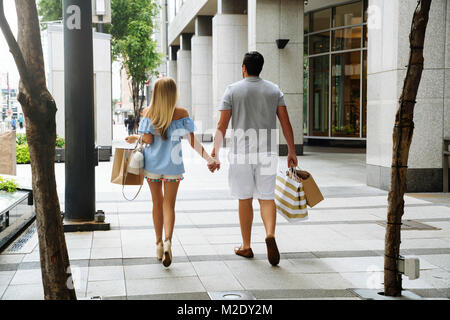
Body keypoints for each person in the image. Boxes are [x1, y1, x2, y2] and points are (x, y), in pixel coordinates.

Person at [208, 51, 298, 266]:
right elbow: (286, 122)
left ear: (243, 68)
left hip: (241, 153)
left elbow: (222, 125)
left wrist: (215, 152)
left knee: (244, 198)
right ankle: (269, 234)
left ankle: (246, 246)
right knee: (267, 197)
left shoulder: (232, 90)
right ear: (261, 67)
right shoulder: (274, 90)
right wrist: (292, 151)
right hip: (267, 153)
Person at [125, 77, 218, 267]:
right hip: (173, 168)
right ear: (173, 93)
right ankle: (168, 241)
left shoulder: (148, 112)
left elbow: (148, 140)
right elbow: (192, 142)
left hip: (152, 167)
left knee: (156, 204)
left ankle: (158, 244)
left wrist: (135, 137)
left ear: (156, 93)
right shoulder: (181, 114)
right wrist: (209, 159)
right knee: (169, 205)